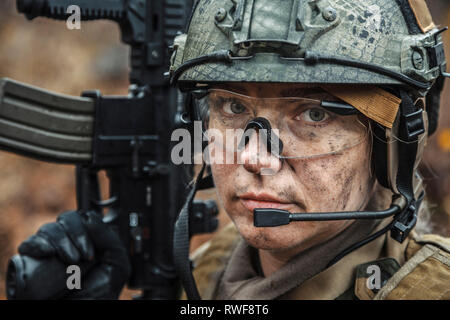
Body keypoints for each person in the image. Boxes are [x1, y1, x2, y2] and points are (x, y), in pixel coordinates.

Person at [16, 0, 450, 300]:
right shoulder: (205, 274)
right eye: (234, 106)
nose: (254, 158)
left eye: (315, 115)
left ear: (392, 141)